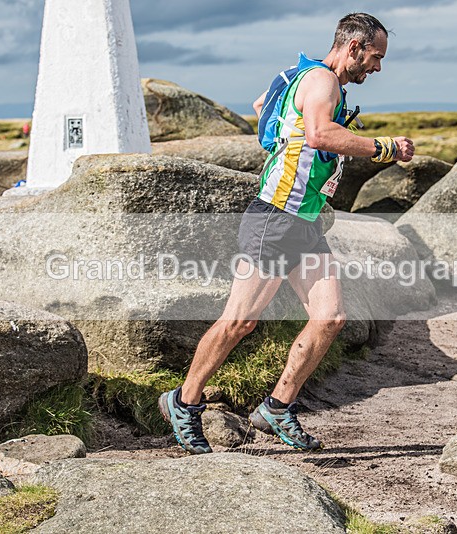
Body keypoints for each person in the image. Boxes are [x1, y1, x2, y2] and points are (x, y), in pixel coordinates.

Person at [159, 12, 415, 454]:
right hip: (275, 218)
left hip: (305, 221)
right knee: (240, 321)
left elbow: (263, 104)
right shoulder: (323, 81)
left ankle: (277, 407)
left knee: (330, 318)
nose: (377, 68)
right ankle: (183, 401)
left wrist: (284, 144)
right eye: (375, 57)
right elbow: (318, 134)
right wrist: (385, 147)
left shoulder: (303, 75)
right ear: (354, 47)